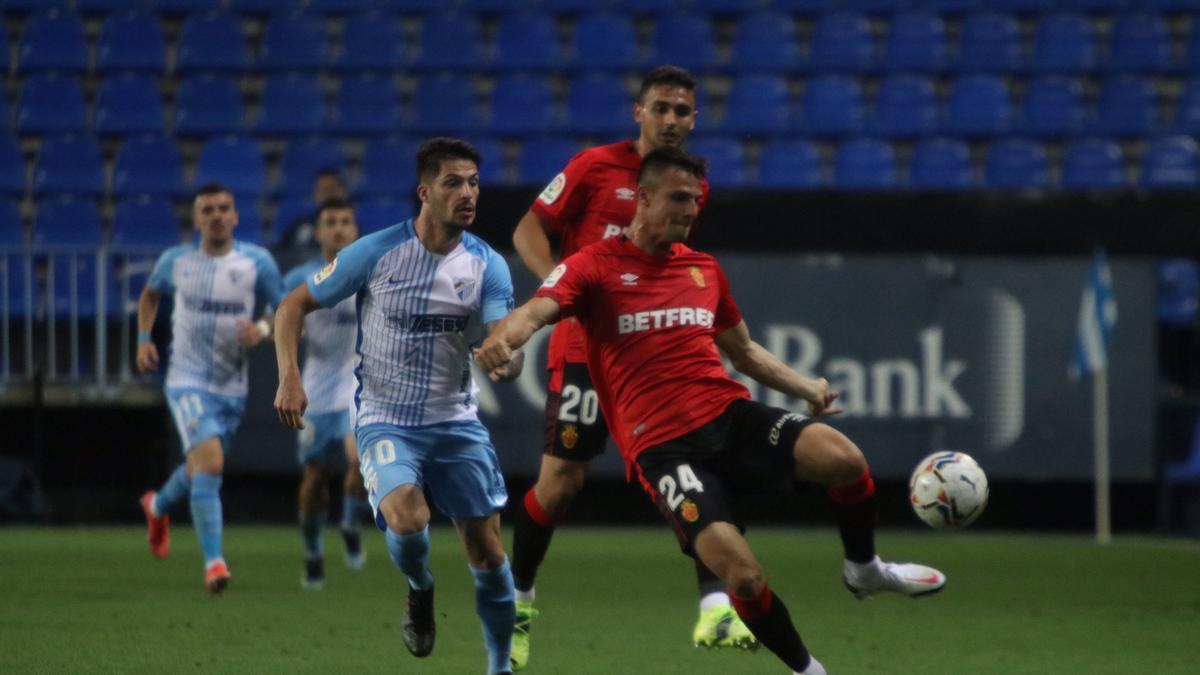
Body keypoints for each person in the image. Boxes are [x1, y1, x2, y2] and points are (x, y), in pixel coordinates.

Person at [477, 147, 947, 675]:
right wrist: (505, 340)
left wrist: (805, 388)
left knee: (845, 460)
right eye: (679, 198)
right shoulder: (593, 267)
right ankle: (809, 670)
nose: (690, 210)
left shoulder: (702, 269)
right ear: (645, 197)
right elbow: (537, 310)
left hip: (730, 417)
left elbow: (743, 351)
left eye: (696, 201)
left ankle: (863, 568)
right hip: (664, 449)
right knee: (742, 578)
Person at [507, 65, 746, 667]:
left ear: (695, 120)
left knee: (696, 469)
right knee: (561, 484)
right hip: (588, 351)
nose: (670, 120)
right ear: (638, 113)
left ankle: (716, 609)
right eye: (660, 108)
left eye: (682, 112)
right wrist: (560, 289)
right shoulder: (592, 166)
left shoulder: (691, 185)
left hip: (652, 356)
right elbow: (527, 229)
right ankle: (517, 596)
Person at [274, 138, 520, 675]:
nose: (467, 193)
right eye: (454, 182)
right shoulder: (374, 253)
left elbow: (508, 343)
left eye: (474, 182)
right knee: (408, 522)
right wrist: (290, 376)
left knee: (488, 554)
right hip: (387, 418)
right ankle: (420, 586)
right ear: (425, 192)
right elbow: (293, 305)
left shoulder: (487, 264)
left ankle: (500, 666)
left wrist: (507, 359)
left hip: (456, 421)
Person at [137, 184, 284, 594]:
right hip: (186, 379)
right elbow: (150, 295)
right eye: (208, 210)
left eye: (224, 209)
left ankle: (157, 505)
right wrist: (143, 338)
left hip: (231, 387)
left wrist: (262, 328)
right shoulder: (176, 262)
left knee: (201, 466)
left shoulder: (257, 262)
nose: (217, 215)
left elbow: (286, 311)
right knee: (212, 464)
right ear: (197, 219)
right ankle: (214, 563)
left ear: (236, 217)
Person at [280, 198, 371, 590]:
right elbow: (283, 321)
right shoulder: (301, 278)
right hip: (316, 386)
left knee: (361, 461)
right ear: (318, 232)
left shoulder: (369, 274)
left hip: (357, 385)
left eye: (345, 222)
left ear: (355, 230)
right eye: (330, 222)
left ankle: (350, 523)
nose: (338, 228)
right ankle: (313, 550)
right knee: (315, 477)